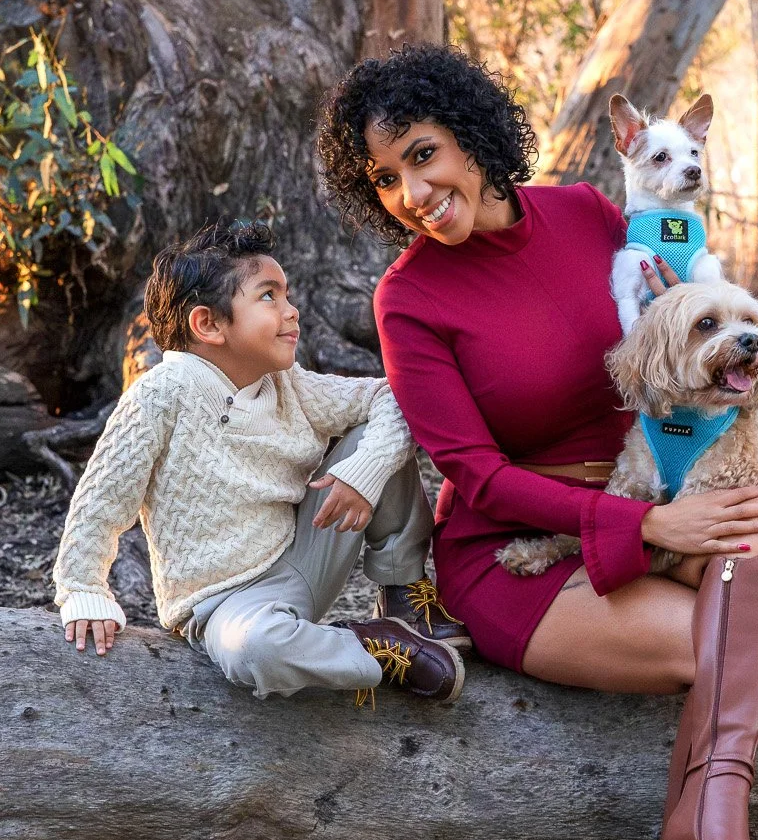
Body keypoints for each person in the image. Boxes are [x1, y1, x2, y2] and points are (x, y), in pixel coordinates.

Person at [317, 47, 758, 840]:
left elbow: (678, 343)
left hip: (651, 485)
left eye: (423, 155)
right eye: (386, 180)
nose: (413, 192)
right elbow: (473, 474)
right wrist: (644, 525)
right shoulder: (409, 300)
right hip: (513, 550)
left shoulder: (587, 216)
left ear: (472, 136)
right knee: (696, 643)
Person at [52, 219, 467, 703]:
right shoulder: (161, 396)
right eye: (269, 297)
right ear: (208, 324)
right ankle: (372, 648)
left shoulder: (291, 385)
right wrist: (84, 590)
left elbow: (393, 399)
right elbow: (101, 500)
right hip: (229, 605)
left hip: (305, 559)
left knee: (373, 440)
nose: (292, 312)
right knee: (255, 650)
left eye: (287, 296)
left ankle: (404, 598)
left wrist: (364, 473)